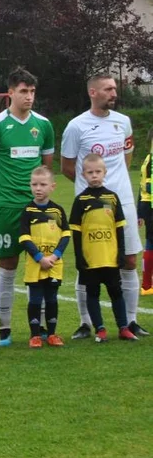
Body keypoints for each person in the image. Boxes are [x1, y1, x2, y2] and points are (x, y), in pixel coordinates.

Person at [60, 74, 147, 339]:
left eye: (114, 88)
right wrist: (94, 191)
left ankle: (130, 322)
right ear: (93, 92)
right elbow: (66, 167)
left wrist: (113, 189)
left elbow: (126, 157)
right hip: (90, 207)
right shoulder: (76, 127)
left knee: (129, 260)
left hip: (122, 201)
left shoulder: (123, 123)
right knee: (89, 263)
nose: (114, 93)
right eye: (108, 89)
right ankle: (86, 323)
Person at [0, 67, 55, 347]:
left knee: (43, 265)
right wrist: (0, 194)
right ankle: (4, 328)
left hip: (38, 210)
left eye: (32, 92)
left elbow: (46, 167)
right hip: (7, 208)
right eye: (23, 91)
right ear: (10, 93)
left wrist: (39, 196)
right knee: (7, 266)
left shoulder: (43, 125)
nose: (29, 97)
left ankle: (44, 327)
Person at [68, 154, 136, 342]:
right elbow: (76, 232)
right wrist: (79, 257)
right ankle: (100, 329)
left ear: (105, 172)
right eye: (90, 172)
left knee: (116, 292)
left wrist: (121, 253)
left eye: (98, 171)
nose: (94, 175)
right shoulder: (81, 200)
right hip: (91, 259)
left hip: (110, 257)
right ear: (83, 175)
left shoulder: (112, 198)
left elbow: (120, 229)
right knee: (93, 293)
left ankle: (123, 327)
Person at [18, 166, 71, 348]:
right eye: (34, 184)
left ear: (52, 187)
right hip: (35, 264)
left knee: (51, 299)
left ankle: (52, 334)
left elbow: (66, 235)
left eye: (42, 184)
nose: (38, 188)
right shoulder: (28, 211)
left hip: (54, 264)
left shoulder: (57, 211)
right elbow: (24, 237)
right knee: (35, 299)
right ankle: (35, 335)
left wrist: (55, 256)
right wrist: (40, 257)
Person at [138, 129, 153, 295]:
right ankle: (147, 285)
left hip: (147, 205)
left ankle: (147, 285)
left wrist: (139, 211)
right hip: (150, 205)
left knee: (150, 243)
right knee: (150, 244)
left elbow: (142, 187)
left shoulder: (148, 159)